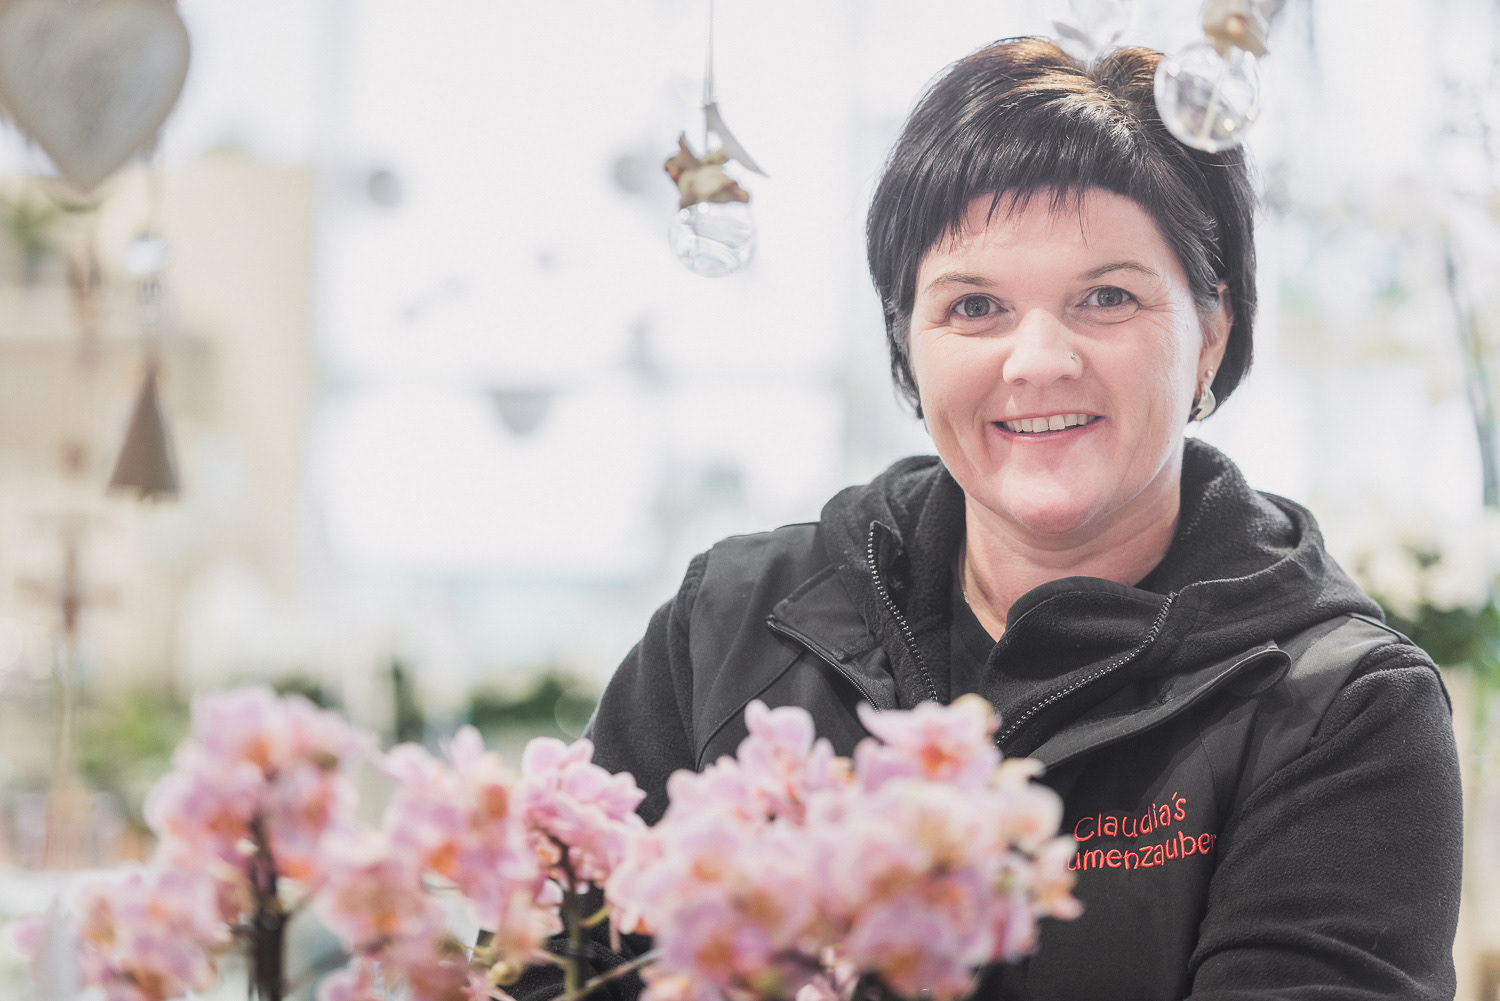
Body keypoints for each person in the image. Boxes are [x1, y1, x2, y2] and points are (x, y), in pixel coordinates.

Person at [528, 37, 1463, 1001]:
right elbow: (539, 963)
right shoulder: (730, 624)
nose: (1039, 360)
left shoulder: (1340, 706)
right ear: (907, 344)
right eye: (975, 306)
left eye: (1107, 297)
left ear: (1210, 335)